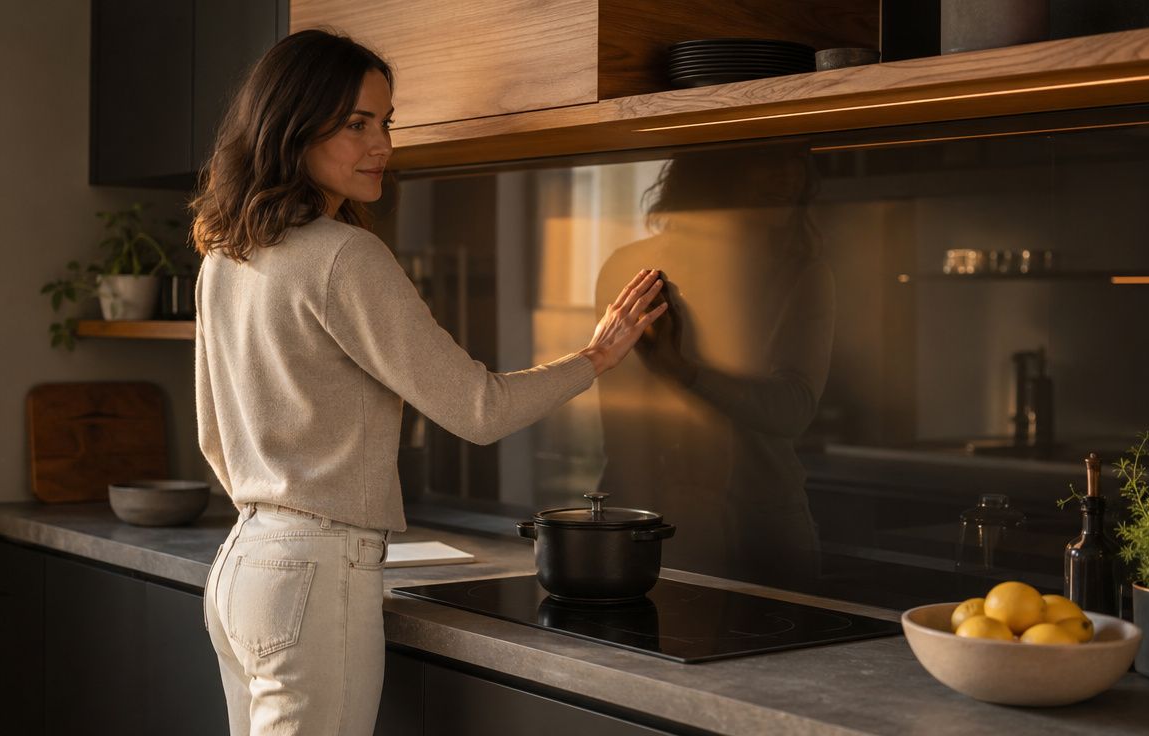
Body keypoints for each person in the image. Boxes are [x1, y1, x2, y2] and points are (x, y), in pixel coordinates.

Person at [190, 30, 665, 736]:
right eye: (357, 124)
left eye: (386, 122)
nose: (382, 144)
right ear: (292, 124)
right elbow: (479, 409)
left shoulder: (226, 256)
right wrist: (593, 358)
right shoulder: (346, 257)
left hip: (242, 567)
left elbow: (213, 437)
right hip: (314, 575)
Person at [594, 145, 836, 591]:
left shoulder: (801, 275)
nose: (789, 174)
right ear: (714, 168)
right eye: (768, 156)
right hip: (648, 522)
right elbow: (622, 424)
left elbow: (793, 410)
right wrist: (617, 521)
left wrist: (687, 372)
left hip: (760, 531)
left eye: (795, 158)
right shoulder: (632, 269)